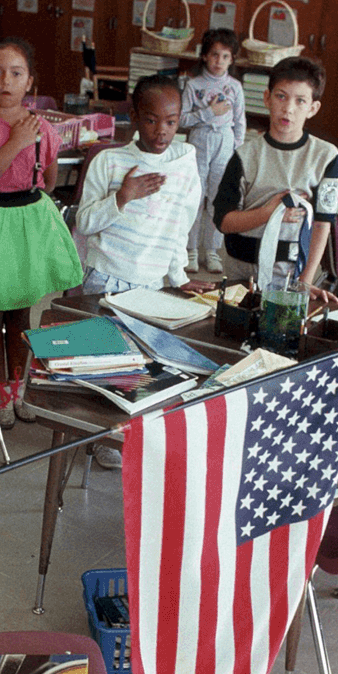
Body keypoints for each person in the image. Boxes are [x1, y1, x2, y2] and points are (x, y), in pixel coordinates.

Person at [74, 75, 214, 469]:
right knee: (105, 364)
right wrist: (123, 196)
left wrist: (180, 275)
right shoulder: (110, 161)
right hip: (105, 279)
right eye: (152, 120)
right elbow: (84, 223)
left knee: (143, 368)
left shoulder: (185, 164)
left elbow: (178, 224)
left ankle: (127, 434)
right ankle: (101, 436)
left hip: (152, 284)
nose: (162, 131)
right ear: (134, 117)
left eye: (171, 121)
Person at [0, 37, 83, 427]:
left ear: (30, 84)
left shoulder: (46, 130)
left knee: (20, 312)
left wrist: (34, 146)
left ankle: (18, 387)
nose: (6, 80)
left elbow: (50, 182)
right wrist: (19, 141)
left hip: (24, 223)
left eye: (16, 73)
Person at [213, 56, 338, 303]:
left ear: (312, 108)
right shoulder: (244, 156)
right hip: (240, 270)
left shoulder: (325, 157)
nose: (288, 108)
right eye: (281, 96)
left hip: (290, 273)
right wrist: (269, 212)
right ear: (266, 98)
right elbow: (223, 221)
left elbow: (323, 223)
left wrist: (305, 281)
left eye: (300, 100)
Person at [179, 28, 245, 274]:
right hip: (200, 139)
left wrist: (236, 149)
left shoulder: (235, 87)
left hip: (225, 143)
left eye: (226, 56)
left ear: (232, 59)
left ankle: (212, 250)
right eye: (215, 55)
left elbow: (240, 122)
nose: (220, 61)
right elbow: (182, 119)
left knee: (218, 198)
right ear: (205, 56)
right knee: (196, 196)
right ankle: (191, 249)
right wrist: (207, 113)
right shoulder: (193, 85)